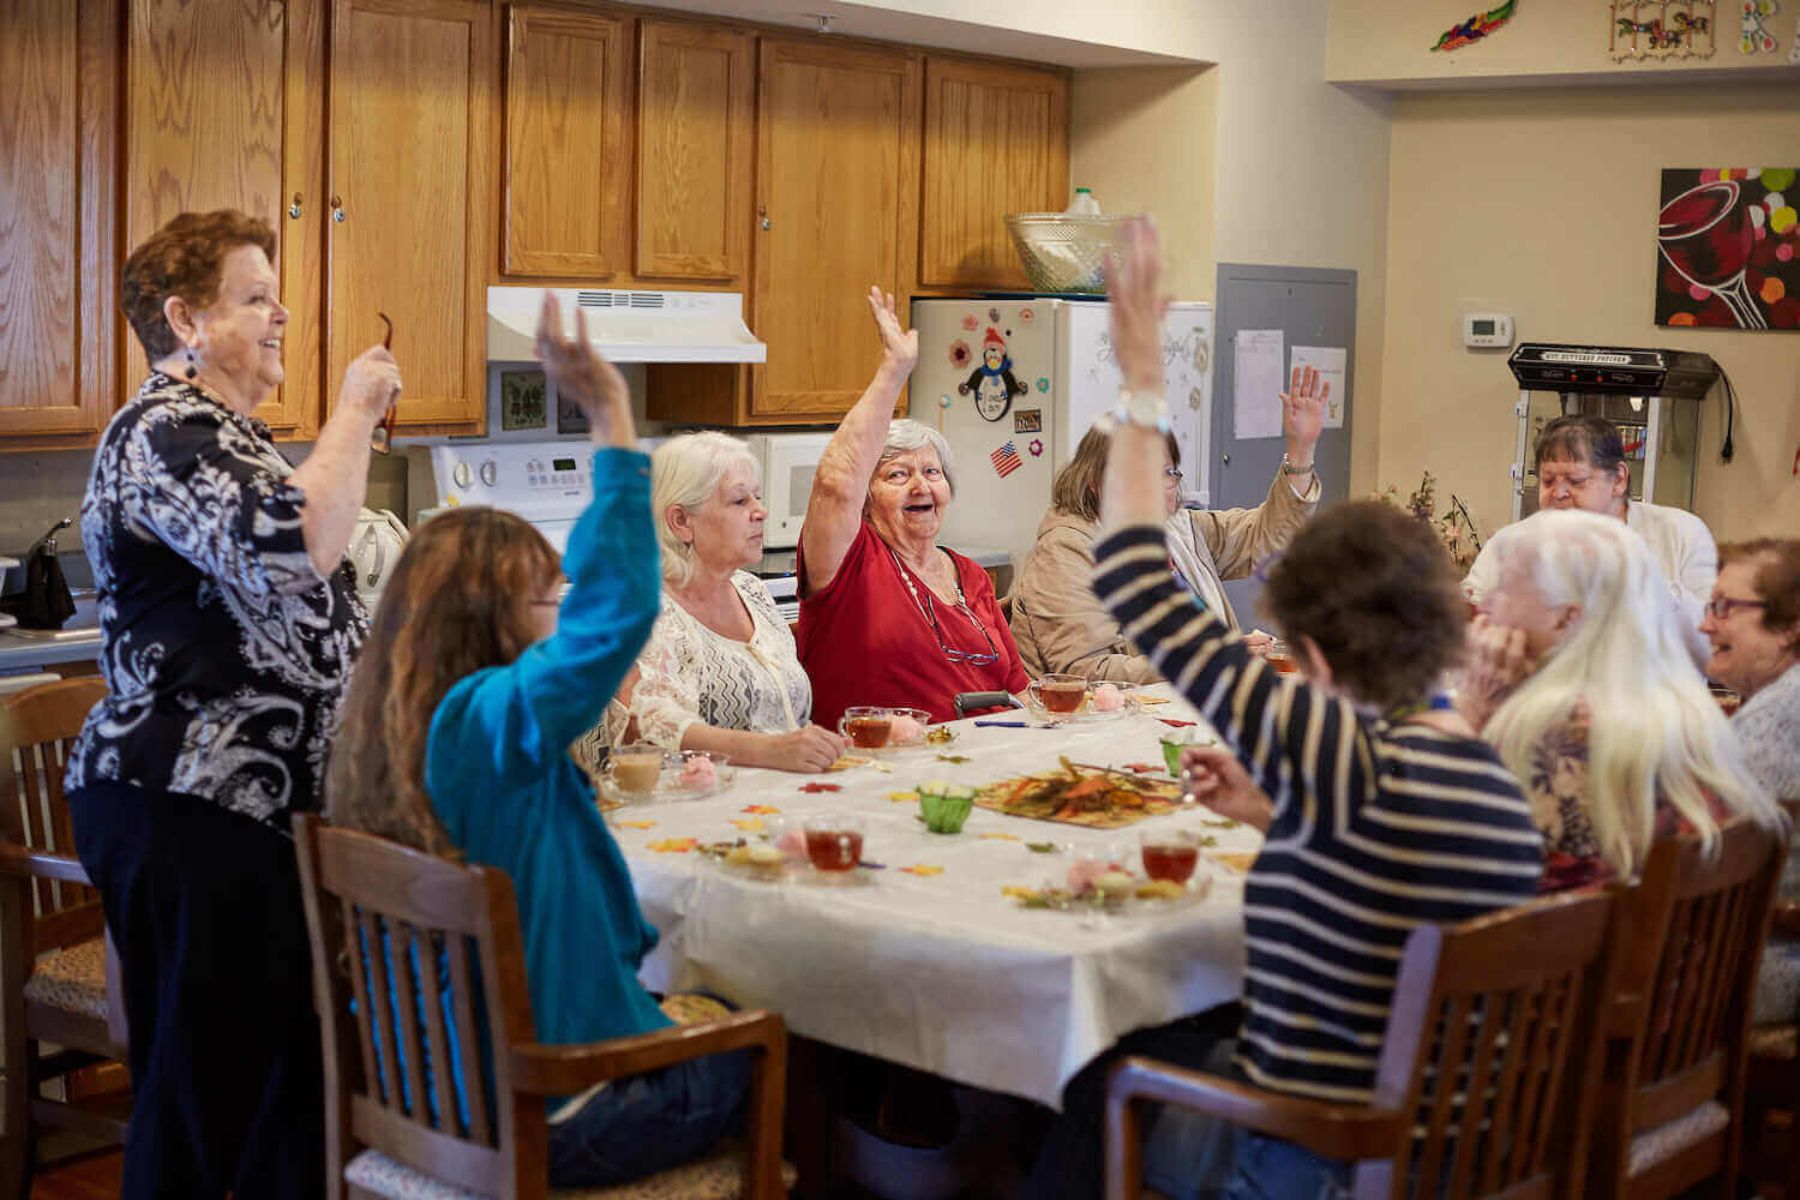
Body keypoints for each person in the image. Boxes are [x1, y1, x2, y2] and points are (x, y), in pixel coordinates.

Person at [1029, 217, 1545, 1200]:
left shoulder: (1324, 738)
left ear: (1307, 654)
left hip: (1309, 1158)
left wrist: (1140, 366)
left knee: (1096, 1066)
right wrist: (1277, 814)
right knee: (1177, 1027)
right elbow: (1385, 856)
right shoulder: (1477, 755)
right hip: (1460, 1143)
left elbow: (1136, 575)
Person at [327, 293, 748, 1188]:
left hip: (439, 1094)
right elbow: (619, 615)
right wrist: (610, 415)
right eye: (548, 600)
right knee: (796, 1050)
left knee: (698, 1007)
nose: (563, 621)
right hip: (559, 1108)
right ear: (489, 618)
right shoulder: (489, 720)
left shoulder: (388, 722)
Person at [63, 209, 401, 1199]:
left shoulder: (227, 438)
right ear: (186, 320)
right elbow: (295, 546)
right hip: (193, 806)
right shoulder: (167, 430)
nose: (283, 312)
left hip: (252, 813)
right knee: (211, 1097)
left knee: (267, 1091)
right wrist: (356, 411)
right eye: (256, 297)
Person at [1457, 509, 1779, 892]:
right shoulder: (1691, 715)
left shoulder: (1554, 733)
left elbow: (1436, 857)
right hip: (1670, 948)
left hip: (1552, 949)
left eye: (1505, 587)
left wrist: (1471, 712)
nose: (1487, 604)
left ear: (1565, 619)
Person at [797, 288, 1028, 727]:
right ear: (866, 500)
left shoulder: (971, 575)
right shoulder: (852, 562)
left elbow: (1017, 688)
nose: (921, 485)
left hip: (989, 755)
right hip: (882, 767)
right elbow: (834, 485)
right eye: (898, 475)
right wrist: (894, 370)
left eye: (932, 472)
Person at [1009, 394, 1322, 682]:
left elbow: (1267, 538)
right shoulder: (1065, 552)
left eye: (1167, 472)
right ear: (1096, 483)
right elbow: (1087, 674)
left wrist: (1301, 453)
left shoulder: (1178, 530)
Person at [615, 430, 846, 771]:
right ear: (681, 521)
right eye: (740, 501)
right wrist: (770, 750)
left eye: (757, 497)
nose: (761, 512)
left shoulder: (750, 590)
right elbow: (644, 722)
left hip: (769, 806)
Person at [1462, 414, 1715, 664]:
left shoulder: (1680, 533)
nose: (1558, 493)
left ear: (1618, 479)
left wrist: (1640, 580)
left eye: (1576, 481)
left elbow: (1713, 648)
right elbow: (1467, 623)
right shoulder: (1511, 542)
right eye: (1548, 481)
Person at [1698, 539, 1800, 1027]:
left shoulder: (1774, 723)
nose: (1704, 623)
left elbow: (1702, 862)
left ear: (1788, 627)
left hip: (1763, 966)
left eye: (1724, 607)